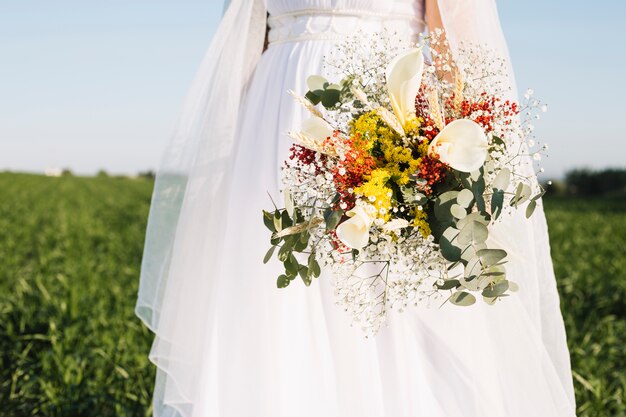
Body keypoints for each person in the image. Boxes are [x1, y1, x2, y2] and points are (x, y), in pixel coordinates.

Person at [136, 0, 577, 415]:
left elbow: (455, 43)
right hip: (271, 123)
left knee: (384, 309)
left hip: (382, 112)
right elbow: (250, 36)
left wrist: (449, 155)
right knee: (269, 302)